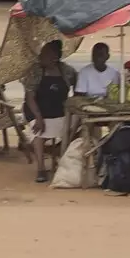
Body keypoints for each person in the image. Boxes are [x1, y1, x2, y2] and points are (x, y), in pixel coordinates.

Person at [24, 39, 77, 183]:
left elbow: (78, 89)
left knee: (77, 126)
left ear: (55, 57)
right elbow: (30, 98)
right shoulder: (35, 71)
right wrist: (39, 118)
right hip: (36, 110)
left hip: (59, 110)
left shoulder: (67, 71)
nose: (40, 56)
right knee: (38, 133)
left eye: (45, 54)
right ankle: (41, 169)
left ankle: (60, 156)